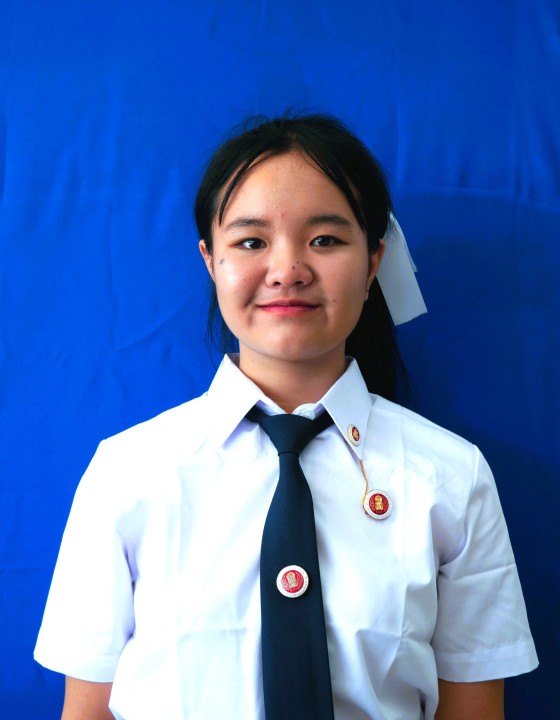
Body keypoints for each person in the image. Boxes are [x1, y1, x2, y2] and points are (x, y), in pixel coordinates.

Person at [35, 114, 538, 720]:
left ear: (373, 262)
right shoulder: (127, 471)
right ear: (210, 261)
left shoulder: (452, 475)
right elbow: (88, 708)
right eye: (251, 242)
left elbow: (474, 708)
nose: (287, 270)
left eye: (325, 240)